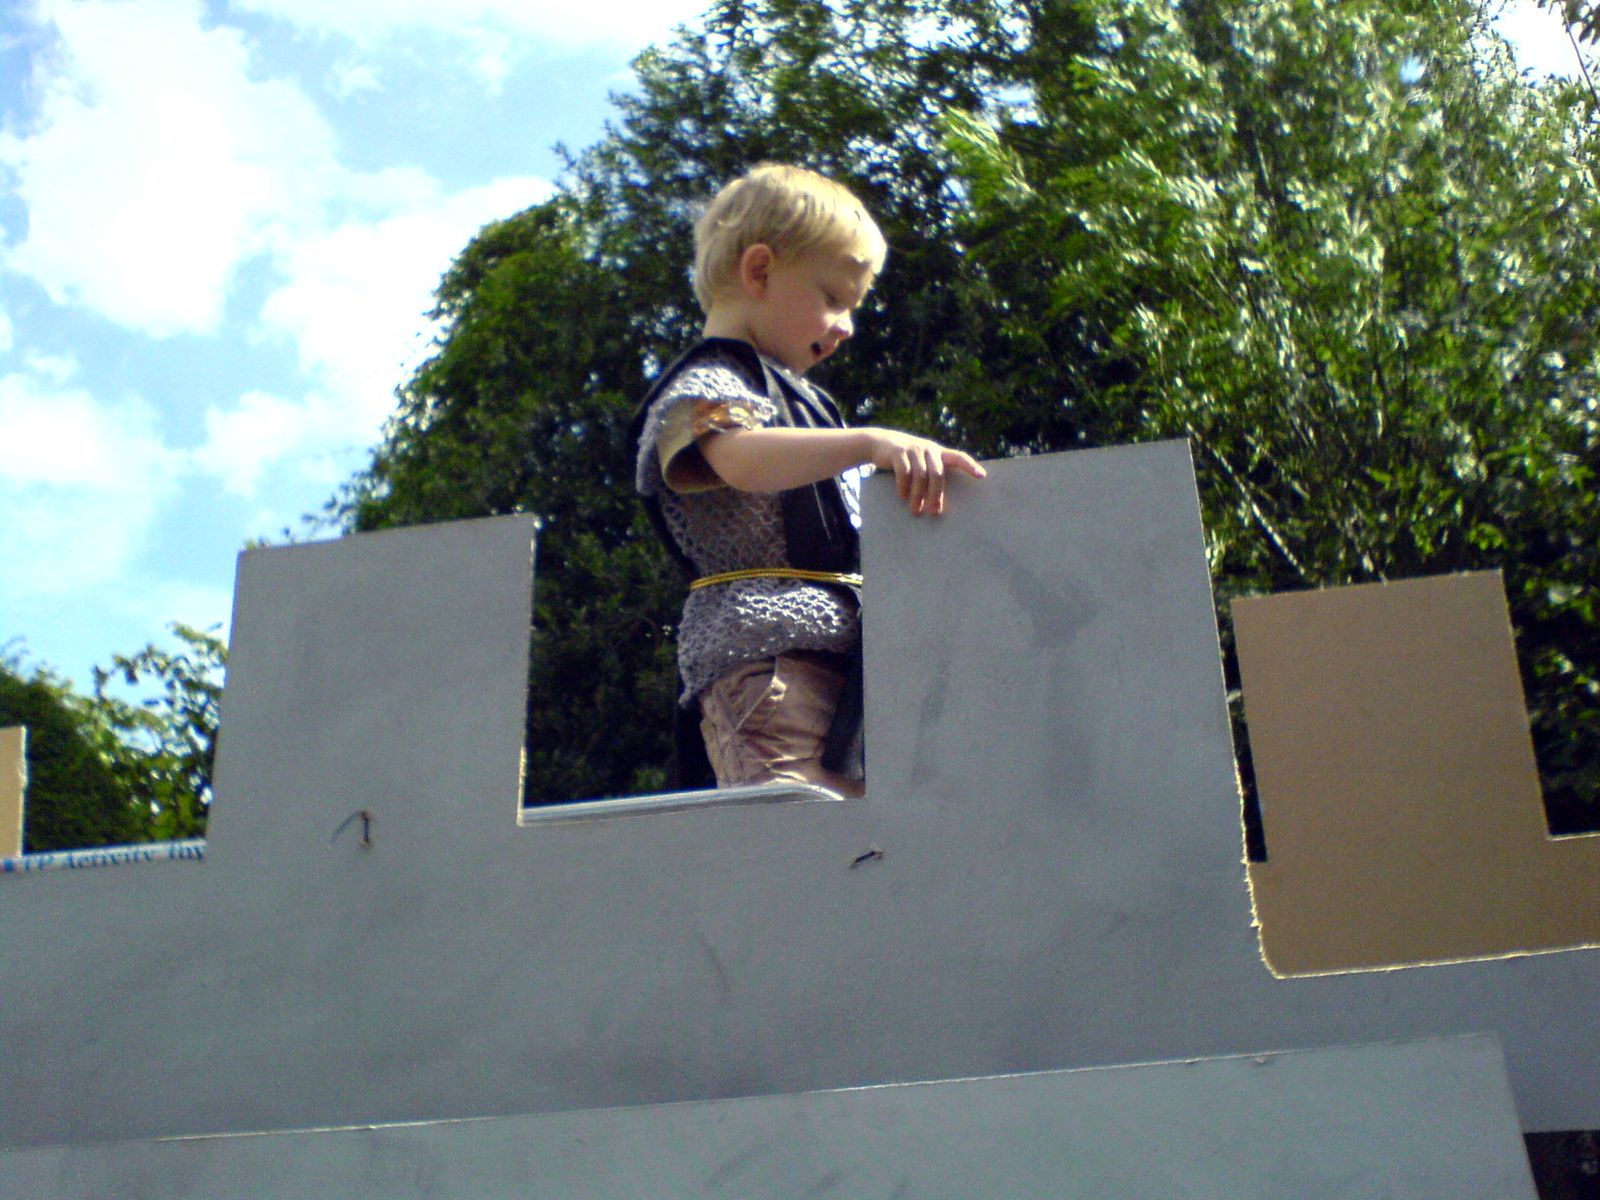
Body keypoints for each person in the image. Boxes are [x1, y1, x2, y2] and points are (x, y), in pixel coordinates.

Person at [632, 163, 985, 797]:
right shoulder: (708, 380)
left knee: (857, 835)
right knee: (796, 837)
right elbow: (738, 457)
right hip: (765, 663)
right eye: (832, 299)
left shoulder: (807, 404)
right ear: (760, 272)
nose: (847, 326)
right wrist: (869, 443)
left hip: (842, 671)